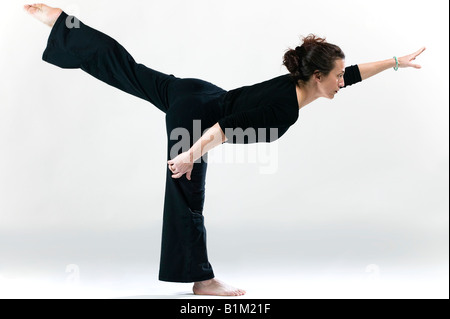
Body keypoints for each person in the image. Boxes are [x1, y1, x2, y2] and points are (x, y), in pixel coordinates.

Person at [24, 3, 425, 296]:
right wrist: (189, 155)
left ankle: (65, 26)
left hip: (196, 90)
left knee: (130, 71)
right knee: (187, 192)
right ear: (318, 77)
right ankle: (202, 280)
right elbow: (224, 129)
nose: (342, 82)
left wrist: (393, 61)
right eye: (336, 76)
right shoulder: (284, 111)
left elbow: (352, 74)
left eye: (341, 75)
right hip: (201, 115)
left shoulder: (300, 81)